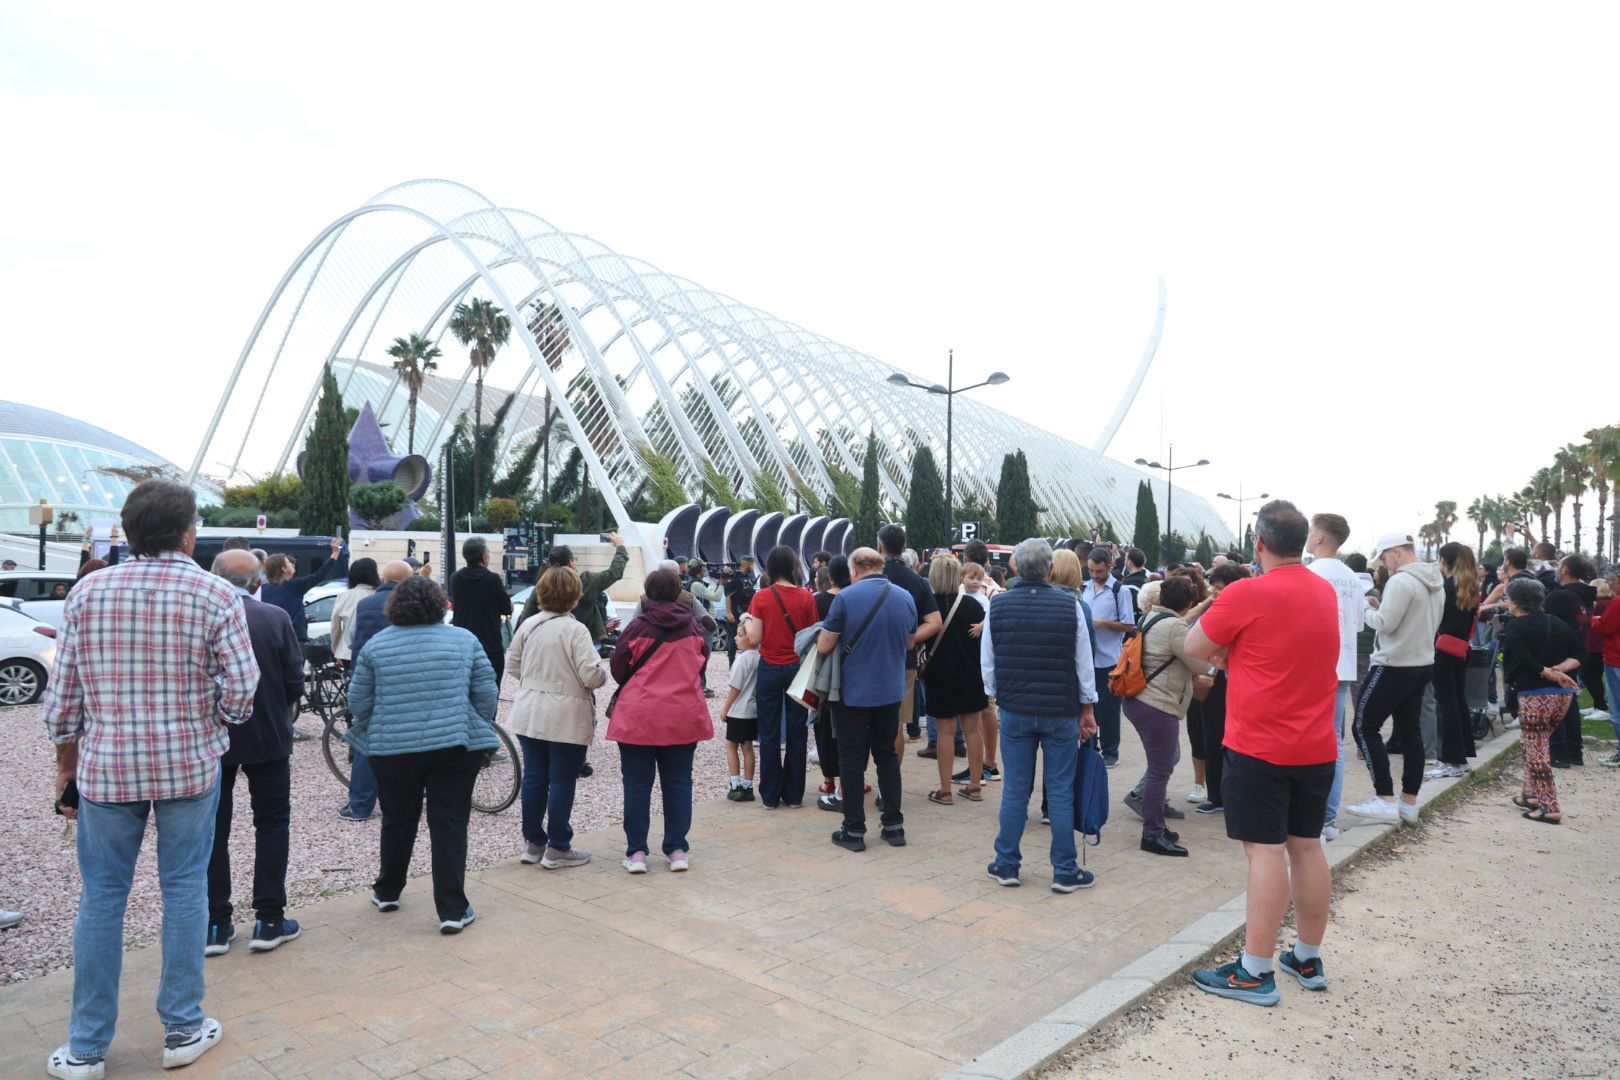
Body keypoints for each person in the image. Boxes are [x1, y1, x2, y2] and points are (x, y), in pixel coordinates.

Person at [42, 480, 258, 1076]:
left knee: (102, 898)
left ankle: (86, 1048)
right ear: (189, 533)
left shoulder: (88, 595)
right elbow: (243, 687)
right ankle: (184, 1028)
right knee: (185, 890)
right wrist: (214, 719)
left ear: (129, 533)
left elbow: (62, 702)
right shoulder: (216, 594)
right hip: (189, 765)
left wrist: (67, 766)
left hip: (107, 769)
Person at [1184, 501, 1339, 1006]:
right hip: (1316, 744)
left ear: (1260, 544)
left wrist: (1230, 654)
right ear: (1304, 543)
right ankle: (1308, 956)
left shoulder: (1247, 592)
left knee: (1265, 852)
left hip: (1260, 744)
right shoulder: (1324, 590)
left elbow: (1192, 646)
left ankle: (1254, 971)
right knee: (1307, 846)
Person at [346, 576, 499, 933]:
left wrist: (378, 722)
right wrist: (475, 720)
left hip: (392, 747)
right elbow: (486, 693)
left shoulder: (376, 646)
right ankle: (451, 909)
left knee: (398, 819)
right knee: (448, 822)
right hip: (454, 745)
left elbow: (358, 702)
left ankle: (387, 890)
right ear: (439, 604)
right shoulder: (465, 640)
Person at [980, 538, 1097, 892]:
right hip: (1060, 710)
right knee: (1060, 790)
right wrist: (1087, 707)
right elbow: (1083, 662)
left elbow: (988, 661)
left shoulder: (997, 605)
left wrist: (997, 694)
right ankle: (1064, 869)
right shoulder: (1070, 605)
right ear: (1050, 569)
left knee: (1015, 789)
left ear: (1015, 567)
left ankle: (1006, 863)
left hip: (1015, 709)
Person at [206, 550, 304, 956]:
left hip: (215, 736)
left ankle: (215, 921)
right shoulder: (273, 618)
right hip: (267, 732)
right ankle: (268, 917)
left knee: (213, 830)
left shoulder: (202, 618)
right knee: (272, 823)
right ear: (258, 581)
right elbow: (294, 680)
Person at [608, 568, 714, 872]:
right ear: (678, 592)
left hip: (639, 716)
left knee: (638, 785)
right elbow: (702, 662)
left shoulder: (637, 627)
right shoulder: (693, 630)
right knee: (679, 782)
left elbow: (619, 667)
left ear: (648, 594)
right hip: (682, 715)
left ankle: (637, 852)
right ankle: (677, 849)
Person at [504, 565, 605, 869]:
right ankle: (558, 845)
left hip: (530, 709)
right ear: (575, 597)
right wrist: (601, 675)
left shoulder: (529, 624)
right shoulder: (576, 630)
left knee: (534, 778)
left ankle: (534, 842)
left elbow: (512, 664)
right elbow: (590, 674)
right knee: (562, 779)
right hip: (566, 712)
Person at [817, 547, 918, 851]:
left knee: (851, 759)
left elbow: (824, 645)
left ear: (854, 570)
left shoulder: (845, 598)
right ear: (880, 567)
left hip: (853, 693)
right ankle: (894, 826)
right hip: (890, 691)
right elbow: (910, 640)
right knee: (886, 755)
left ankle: (854, 830)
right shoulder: (904, 597)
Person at [1345, 531, 1444, 824]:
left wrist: (1363, 607)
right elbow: (1411, 618)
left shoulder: (1401, 580)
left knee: (1364, 726)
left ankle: (1384, 798)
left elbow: (1385, 624)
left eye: (1385, 557)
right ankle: (1408, 801)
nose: (1384, 564)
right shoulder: (1435, 581)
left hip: (1393, 664)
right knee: (1410, 730)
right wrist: (1381, 609)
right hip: (1421, 662)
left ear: (1397, 551)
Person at [1122, 575, 1211, 856]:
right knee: (1160, 771)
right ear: (1188, 603)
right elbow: (1199, 663)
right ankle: (1152, 834)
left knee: (1166, 760)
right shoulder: (1175, 627)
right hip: (1157, 706)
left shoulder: (1150, 618)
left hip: (1138, 700)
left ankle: (1156, 823)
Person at [1497, 577, 1583, 823]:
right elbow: (1580, 652)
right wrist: (1561, 669)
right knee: (1535, 743)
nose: (1505, 602)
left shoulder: (1516, 626)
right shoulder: (1555, 622)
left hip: (1535, 695)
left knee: (1536, 751)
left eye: (1506, 597)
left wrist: (1547, 671)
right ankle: (1530, 794)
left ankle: (1549, 806)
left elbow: (1523, 660)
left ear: (1515, 601)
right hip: (1562, 696)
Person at [1304, 514, 1365, 841]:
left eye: (1311, 531)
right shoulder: (1352, 578)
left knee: (1310, 739)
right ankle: (1327, 819)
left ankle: (1315, 816)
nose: (1308, 536)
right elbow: (1357, 625)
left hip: (1313, 667)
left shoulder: (1310, 574)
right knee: (1333, 742)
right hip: (1342, 665)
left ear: (1321, 538)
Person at [743, 545, 818, 809]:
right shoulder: (807, 597)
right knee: (798, 731)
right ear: (794, 567)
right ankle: (795, 795)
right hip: (797, 668)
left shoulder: (762, 597)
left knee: (769, 732)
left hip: (770, 667)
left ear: (770, 568)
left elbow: (754, 638)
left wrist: (747, 620)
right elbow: (812, 638)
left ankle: (771, 796)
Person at [338, 560, 413, 822]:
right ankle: (404, 800)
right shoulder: (415, 603)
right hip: (407, 680)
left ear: (383, 578)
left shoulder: (364, 604)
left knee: (367, 740)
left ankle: (359, 805)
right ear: (408, 579)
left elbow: (349, 639)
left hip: (369, 678)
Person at [920, 554, 988, 805]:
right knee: (973, 731)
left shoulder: (928, 608)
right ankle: (975, 787)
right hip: (971, 674)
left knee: (945, 733)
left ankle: (946, 790)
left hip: (940, 676)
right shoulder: (973, 606)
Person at [877, 525, 942, 749]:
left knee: (865, 721)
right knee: (896, 724)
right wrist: (911, 639)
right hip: (904, 660)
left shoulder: (868, 577)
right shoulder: (916, 581)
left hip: (867, 659)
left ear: (879, 546)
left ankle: (865, 778)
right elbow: (935, 622)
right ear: (903, 548)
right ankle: (892, 776)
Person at [1194, 561, 1251, 815]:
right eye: (1213, 587)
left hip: (1235, 682)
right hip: (1213, 682)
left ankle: (1230, 794)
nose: (1213, 592)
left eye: (1218, 588)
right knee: (1212, 736)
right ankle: (1216, 794)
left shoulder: (1243, 611)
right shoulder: (1214, 609)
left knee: (1232, 740)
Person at [1428, 542, 1482, 779]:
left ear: (1443, 560)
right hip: (1459, 650)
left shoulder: (1446, 587)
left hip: (1441, 650)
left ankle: (1450, 759)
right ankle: (1460, 756)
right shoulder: (1468, 587)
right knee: (1457, 701)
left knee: (1446, 704)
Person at [1081, 547, 1137, 767]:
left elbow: (1129, 624)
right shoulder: (1084, 587)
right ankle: (1090, 748)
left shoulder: (1119, 590)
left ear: (1109, 567)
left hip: (1109, 659)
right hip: (1087, 659)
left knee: (1109, 709)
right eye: (1091, 570)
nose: (1094, 575)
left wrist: (1104, 624)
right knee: (1087, 706)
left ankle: (1110, 751)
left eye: (1099, 571)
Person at [518, 534, 628, 643]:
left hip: (549, 641)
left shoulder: (541, 587)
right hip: (585, 640)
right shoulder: (587, 581)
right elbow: (615, 571)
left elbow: (525, 619)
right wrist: (620, 546)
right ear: (571, 563)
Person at [1544, 553, 1598, 768]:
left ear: (1565, 570)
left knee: (1557, 703)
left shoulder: (1562, 596)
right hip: (1576, 652)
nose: (1556, 569)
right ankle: (1574, 750)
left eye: (1558, 565)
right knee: (1570, 701)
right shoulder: (1583, 595)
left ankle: (1559, 752)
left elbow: (1544, 617)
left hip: (1560, 655)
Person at [449, 537, 514, 684]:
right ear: (484, 557)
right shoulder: (493, 579)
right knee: (491, 688)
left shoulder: (455, 578)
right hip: (489, 644)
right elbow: (506, 608)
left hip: (462, 643)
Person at [260, 537, 346, 642]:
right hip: (294, 638)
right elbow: (319, 575)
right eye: (288, 563)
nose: (292, 564)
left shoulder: (262, 589)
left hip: (270, 638)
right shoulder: (294, 586)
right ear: (284, 569)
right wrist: (335, 553)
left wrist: (301, 614)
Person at [722, 614, 760, 801]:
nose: (736, 638)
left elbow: (735, 687)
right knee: (748, 748)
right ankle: (748, 785)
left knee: (731, 746)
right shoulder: (760, 658)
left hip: (738, 710)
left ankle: (735, 784)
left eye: (739, 635)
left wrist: (724, 709)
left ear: (750, 637)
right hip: (752, 711)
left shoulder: (742, 659)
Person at [329, 558, 380, 665]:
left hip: (347, 652)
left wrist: (335, 650)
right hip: (375, 650)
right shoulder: (377, 595)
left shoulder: (343, 596)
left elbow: (335, 627)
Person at [1595, 569, 1620, 766]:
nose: (1610, 585)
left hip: (1616, 658)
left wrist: (1594, 621)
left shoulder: (1618, 602)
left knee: (1617, 709)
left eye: (1612, 581)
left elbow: (1606, 627)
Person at [724, 554, 758, 664]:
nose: (752, 567)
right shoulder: (734, 577)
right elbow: (728, 596)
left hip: (746, 613)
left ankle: (744, 662)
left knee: (747, 637)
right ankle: (732, 663)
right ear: (747, 564)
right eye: (751, 564)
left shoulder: (748, 577)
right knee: (734, 638)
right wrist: (729, 613)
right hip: (735, 613)